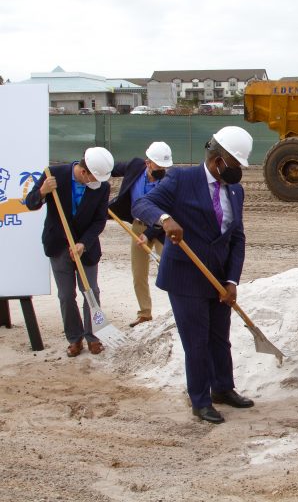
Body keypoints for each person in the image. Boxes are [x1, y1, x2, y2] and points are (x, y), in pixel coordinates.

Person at [132, 126, 254, 424]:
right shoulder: (182, 179)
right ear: (218, 158)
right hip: (186, 275)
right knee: (196, 342)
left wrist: (232, 280)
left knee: (219, 338)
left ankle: (222, 388)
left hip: (219, 278)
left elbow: (236, 237)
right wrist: (165, 219)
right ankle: (199, 400)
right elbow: (142, 204)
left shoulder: (236, 190)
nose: (238, 171)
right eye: (235, 164)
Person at [25, 147, 114, 357]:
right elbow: (30, 203)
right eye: (94, 177)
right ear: (84, 172)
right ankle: (74, 338)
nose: (97, 182)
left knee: (91, 291)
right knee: (66, 295)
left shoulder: (101, 187)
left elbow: (100, 220)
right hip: (58, 245)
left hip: (86, 248)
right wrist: (42, 191)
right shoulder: (53, 175)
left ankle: (93, 336)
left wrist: (84, 243)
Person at [109, 142, 174, 327]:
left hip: (161, 229)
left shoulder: (169, 182)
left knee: (170, 270)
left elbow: (169, 213)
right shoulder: (135, 166)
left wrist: (150, 233)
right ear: (148, 163)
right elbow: (112, 168)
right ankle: (144, 313)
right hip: (137, 227)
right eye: (159, 167)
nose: (162, 170)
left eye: (165, 167)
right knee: (139, 274)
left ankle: (178, 311)